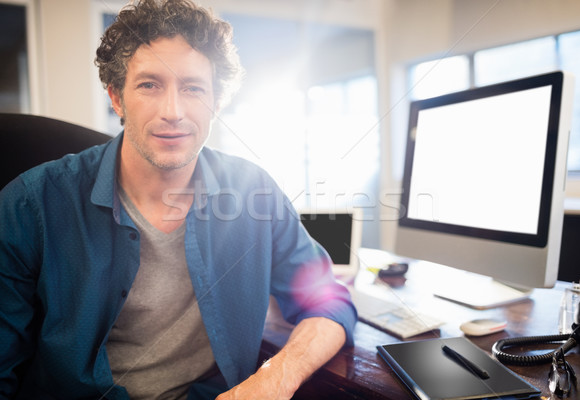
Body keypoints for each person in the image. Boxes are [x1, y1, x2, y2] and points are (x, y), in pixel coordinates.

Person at [0, 0, 357, 399]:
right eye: (149, 85)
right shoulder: (31, 204)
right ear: (116, 98)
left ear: (216, 102)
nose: (173, 111)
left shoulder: (254, 192)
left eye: (193, 88)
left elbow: (330, 301)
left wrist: (275, 378)